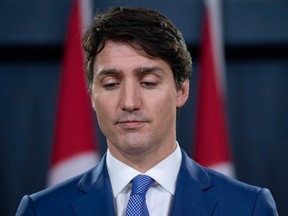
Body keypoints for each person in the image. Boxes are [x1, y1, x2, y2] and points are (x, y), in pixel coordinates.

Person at [16, 7, 278, 216]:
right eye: (111, 84)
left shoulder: (248, 207)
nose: (129, 102)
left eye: (148, 82)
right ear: (92, 95)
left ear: (181, 90)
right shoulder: (41, 210)